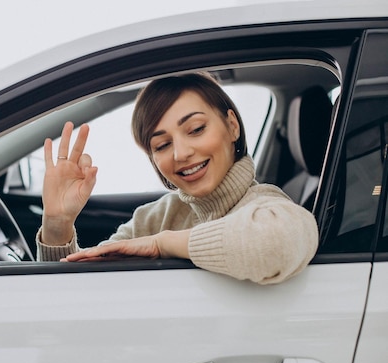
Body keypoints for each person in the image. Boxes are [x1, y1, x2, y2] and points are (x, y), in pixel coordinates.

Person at [35, 72, 318, 284]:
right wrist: (57, 225)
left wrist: (163, 245)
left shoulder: (264, 205)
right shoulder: (153, 218)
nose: (181, 153)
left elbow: (274, 245)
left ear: (232, 126)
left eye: (196, 129)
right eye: (162, 145)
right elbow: (76, 294)